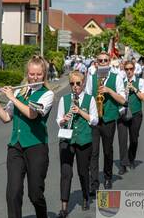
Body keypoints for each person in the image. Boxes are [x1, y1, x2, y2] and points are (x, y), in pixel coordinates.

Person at [0, 55, 54, 218]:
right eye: (32, 74)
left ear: (44, 74)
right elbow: (6, 118)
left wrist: (11, 97)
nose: (34, 77)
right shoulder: (20, 91)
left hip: (36, 146)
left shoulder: (48, 94)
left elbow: (32, 114)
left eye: (38, 74)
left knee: (35, 194)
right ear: (27, 73)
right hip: (15, 147)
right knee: (13, 193)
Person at [56, 71, 98, 218]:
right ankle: (64, 207)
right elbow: (58, 120)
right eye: (72, 83)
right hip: (67, 140)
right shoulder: (64, 99)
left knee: (82, 171)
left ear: (83, 83)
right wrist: (63, 119)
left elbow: (94, 120)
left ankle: (86, 196)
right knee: (66, 173)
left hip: (84, 139)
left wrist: (80, 111)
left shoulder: (89, 99)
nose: (75, 86)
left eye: (78, 83)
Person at [85, 51, 126, 193]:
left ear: (109, 62)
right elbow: (87, 96)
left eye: (105, 60)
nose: (102, 63)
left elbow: (123, 100)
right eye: (100, 60)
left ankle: (108, 177)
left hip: (109, 119)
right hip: (95, 119)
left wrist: (109, 90)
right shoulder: (92, 77)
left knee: (107, 150)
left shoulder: (117, 77)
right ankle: (94, 182)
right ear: (96, 63)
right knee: (94, 152)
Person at [117, 61, 144, 175]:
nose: (129, 71)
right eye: (126, 69)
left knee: (134, 139)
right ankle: (123, 164)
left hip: (135, 114)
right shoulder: (120, 81)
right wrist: (124, 92)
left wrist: (134, 89)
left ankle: (131, 158)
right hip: (122, 113)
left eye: (131, 69)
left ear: (134, 69)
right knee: (122, 139)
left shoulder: (140, 81)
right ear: (124, 70)